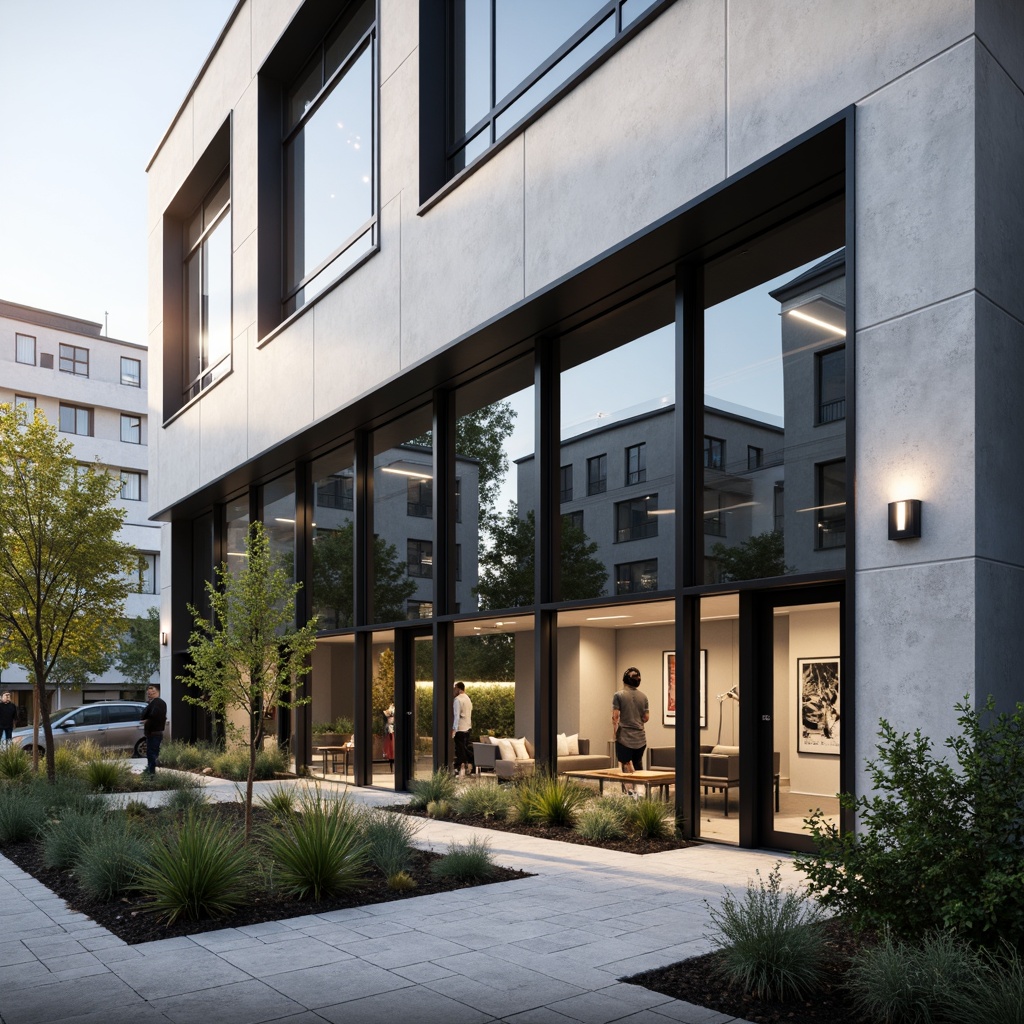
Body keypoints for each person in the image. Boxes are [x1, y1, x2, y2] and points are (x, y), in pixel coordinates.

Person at [612, 666, 649, 797]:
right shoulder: (643, 697)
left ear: (624, 680)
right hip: (640, 739)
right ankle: (641, 793)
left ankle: (629, 794)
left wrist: (615, 732)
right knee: (638, 763)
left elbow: (615, 717)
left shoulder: (618, 695)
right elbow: (646, 718)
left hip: (624, 737)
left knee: (624, 766)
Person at [140, 684, 167, 775]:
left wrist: (147, 720)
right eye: (148, 693)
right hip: (151, 733)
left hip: (154, 733)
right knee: (150, 754)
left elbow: (153, 715)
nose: (150, 694)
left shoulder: (158, 703)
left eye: (152, 692)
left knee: (152, 754)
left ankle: (151, 774)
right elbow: (143, 715)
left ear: (157, 692)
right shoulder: (152, 703)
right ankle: (150, 772)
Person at [451, 681, 473, 777]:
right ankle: (465, 765)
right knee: (464, 748)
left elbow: (456, 716)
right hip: (468, 727)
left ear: (459, 689)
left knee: (460, 750)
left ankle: (459, 766)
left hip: (460, 728)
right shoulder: (468, 699)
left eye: (455, 688)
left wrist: (454, 729)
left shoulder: (457, 700)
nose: (454, 690)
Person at [382, 702, 395, 768]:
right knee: (390, 747)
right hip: (389, 732)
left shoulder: (393, 712)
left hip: (392, 731)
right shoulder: (387, 712)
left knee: (392, 747)